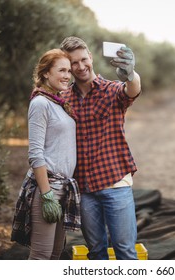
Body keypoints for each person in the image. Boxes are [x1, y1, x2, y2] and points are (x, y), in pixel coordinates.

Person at [60, 36, 141, 260]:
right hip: (84, 189)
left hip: (116, 184)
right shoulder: (63, 98)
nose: (80, 66)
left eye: (83, 59)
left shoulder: (112, 90)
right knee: (96, 253)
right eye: (73, 63)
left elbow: (132, 90)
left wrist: (132, 75)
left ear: (91, 58)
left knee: (125, 251)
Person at [11, 49, 81, 260]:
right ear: (45, 73)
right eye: (61, 70)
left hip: (64, 188)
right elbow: (35, 154)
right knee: (41, 257)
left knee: (55, 254)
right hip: (48, 190)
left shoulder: (58, 103)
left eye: (69, 71)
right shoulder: (40, 104)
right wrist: (47, 194)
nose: (67, 76)